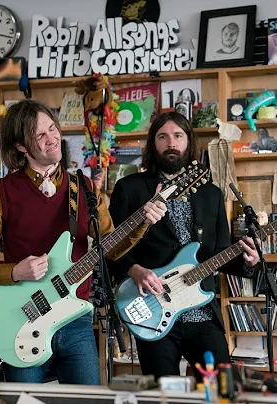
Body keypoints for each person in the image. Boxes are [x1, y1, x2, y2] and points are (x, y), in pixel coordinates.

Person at [0, 99, 167, 385]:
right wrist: (14, 271)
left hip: (76, 318)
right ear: (21, 147)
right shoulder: (0, 193)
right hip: (23, 319)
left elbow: (110, 247)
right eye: (40, 135)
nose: (52, 138)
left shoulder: (83, 187)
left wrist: (143, 221)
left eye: (52, 128)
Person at [106, 111, 260, 383]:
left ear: (189, 142)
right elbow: (110, 249)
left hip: (202, 314)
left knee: (223, 388)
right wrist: (134, 270)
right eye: (163, 136)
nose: (171, 143)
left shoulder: (211, 193)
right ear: (153, 143)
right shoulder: (130, 189)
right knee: (161, 395)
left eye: (178, 136)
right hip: (153, 310)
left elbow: (219, 252)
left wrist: (247, 262)